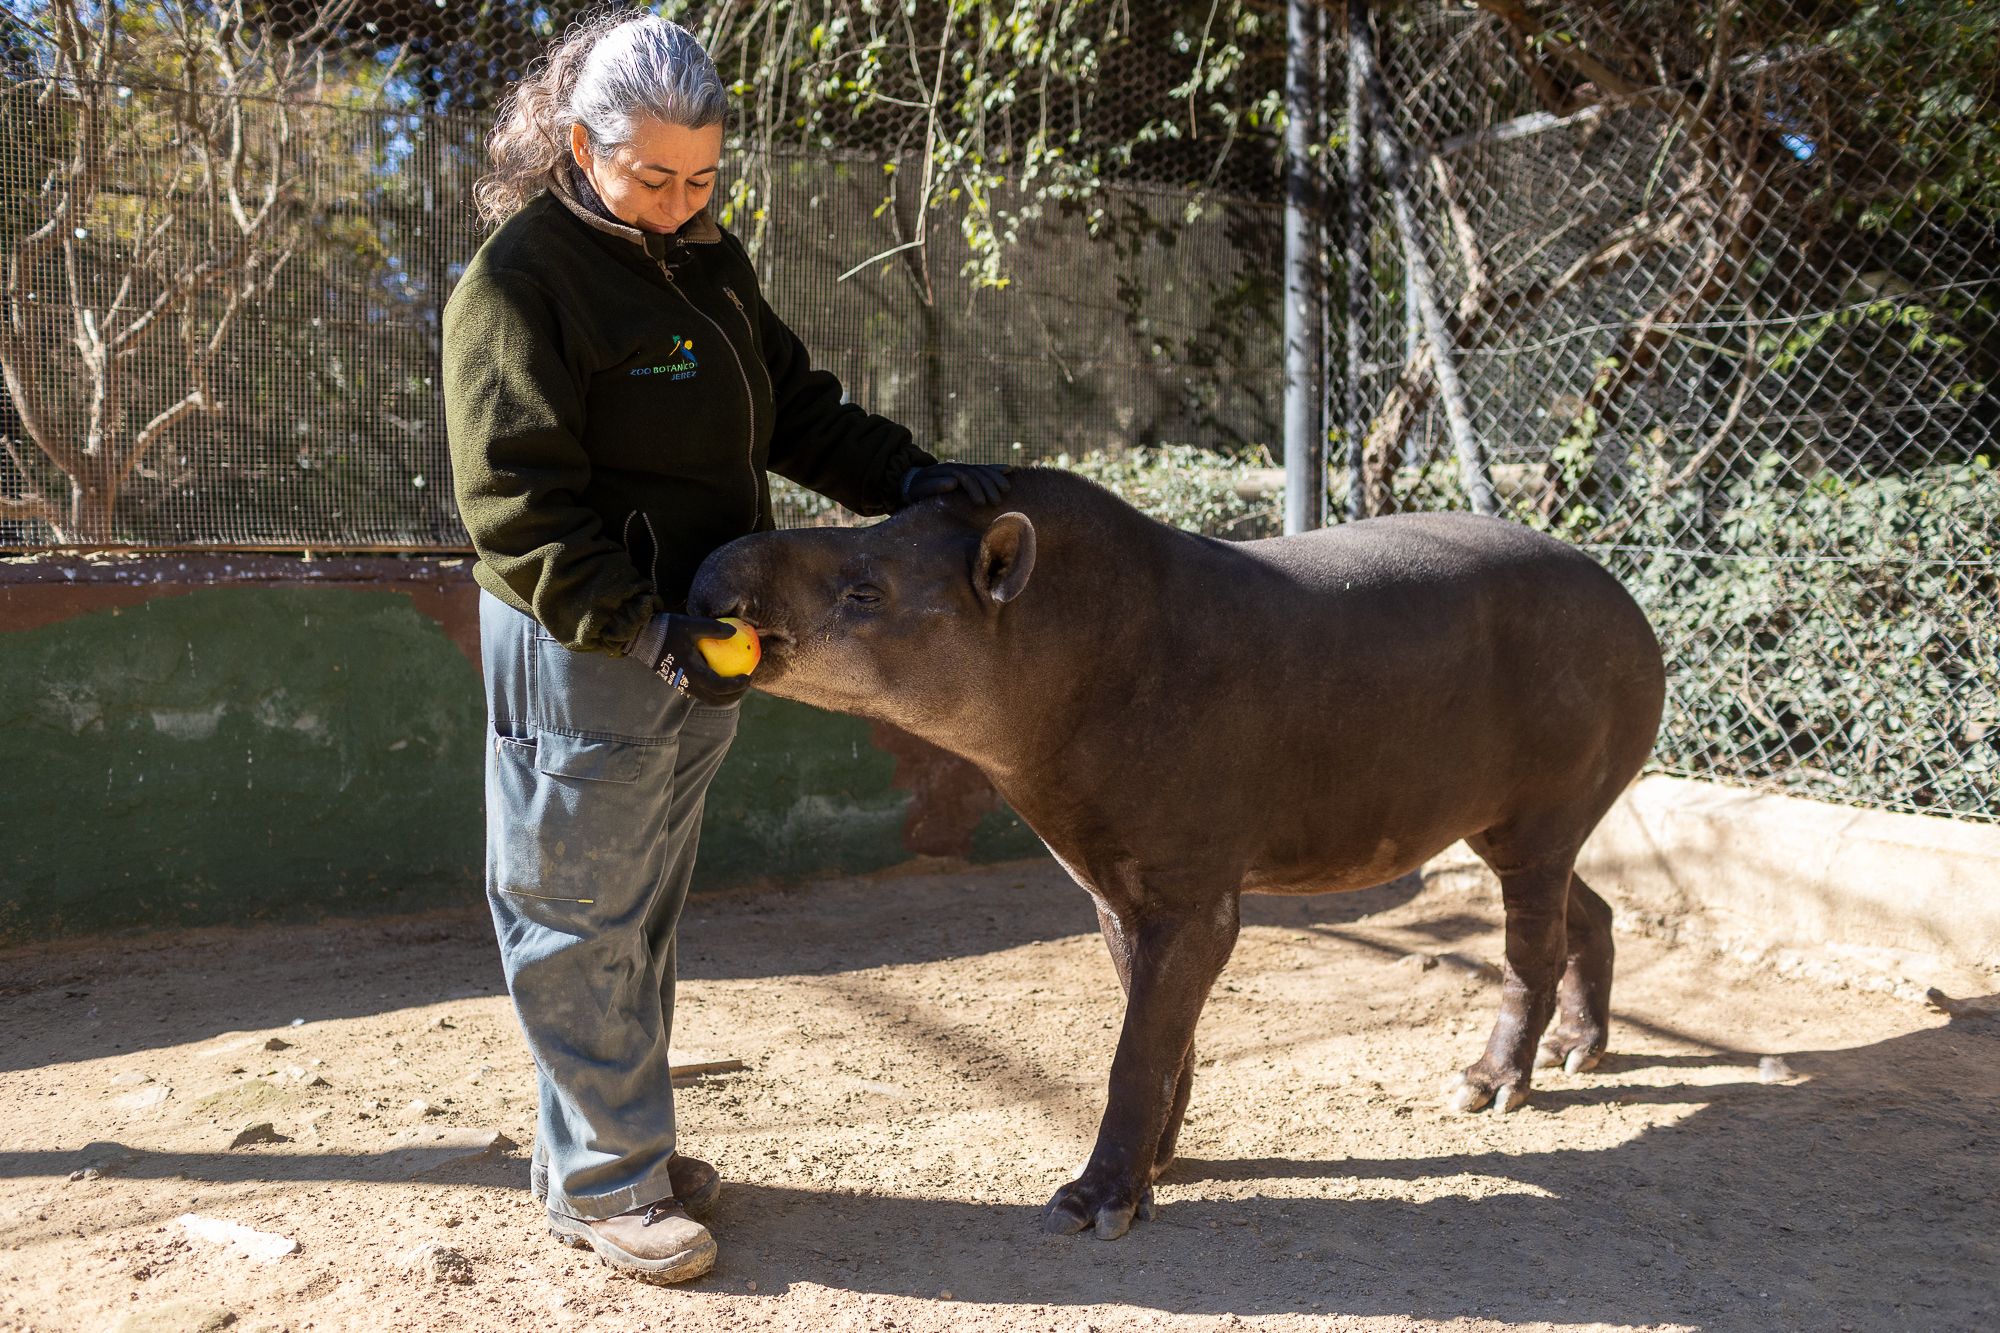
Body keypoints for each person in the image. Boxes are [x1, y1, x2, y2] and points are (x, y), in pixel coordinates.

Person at [442, 12, 1010, 1286]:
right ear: (576, 147)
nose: (678, 200)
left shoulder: (702, 259)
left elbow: (791, 405)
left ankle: (604, 1151)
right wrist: (648, 636)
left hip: (708, 637)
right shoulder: (518, 283)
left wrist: (911, 478)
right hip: (592, 640)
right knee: (573, 912)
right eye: (650, 175)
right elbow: (517, 508)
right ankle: (606, 1185)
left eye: (702, 177)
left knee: (635, 910)